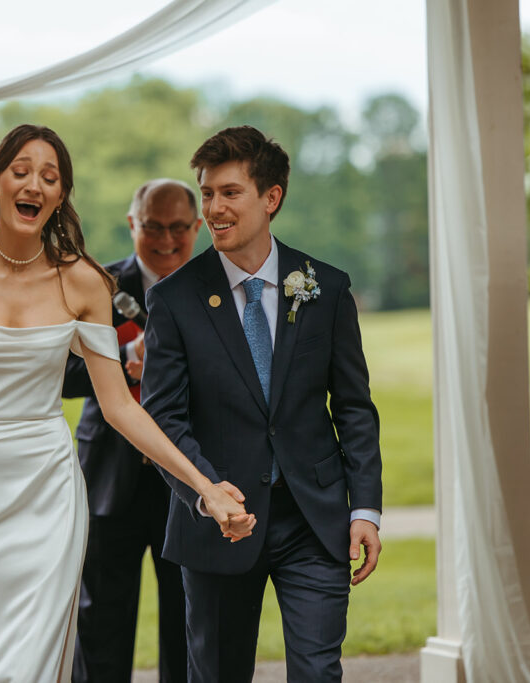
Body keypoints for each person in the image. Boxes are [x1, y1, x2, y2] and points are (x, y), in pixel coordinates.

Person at [0, 124, 254, 683]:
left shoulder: (84, 282)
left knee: (34, 664)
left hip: (47, 495)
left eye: (50, 177)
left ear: (61, 196)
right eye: (21, 171)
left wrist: (206, 487)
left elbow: (120, 408)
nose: (35, 185)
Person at [141, 126, 383, 682]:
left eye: (230, 192)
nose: (213, 208)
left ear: (271, 198)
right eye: (207, 193)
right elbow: (164, 420)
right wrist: (207, 496)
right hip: (219, 525)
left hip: (314, 520)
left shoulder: (326, 288)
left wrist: (364, 506)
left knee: (319, 674)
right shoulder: (173, 300)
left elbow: (354, 408)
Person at [63, 179, 201, 682]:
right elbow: (59, 373)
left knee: (190, 617)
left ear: (197, 227)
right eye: (153, 227)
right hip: (110, 474)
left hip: (188, 478)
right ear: (132, 224)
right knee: (100, 616)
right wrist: (121, 361)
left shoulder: (216, 288)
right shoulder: (98, 285)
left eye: (178, 228)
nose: (166, 239)